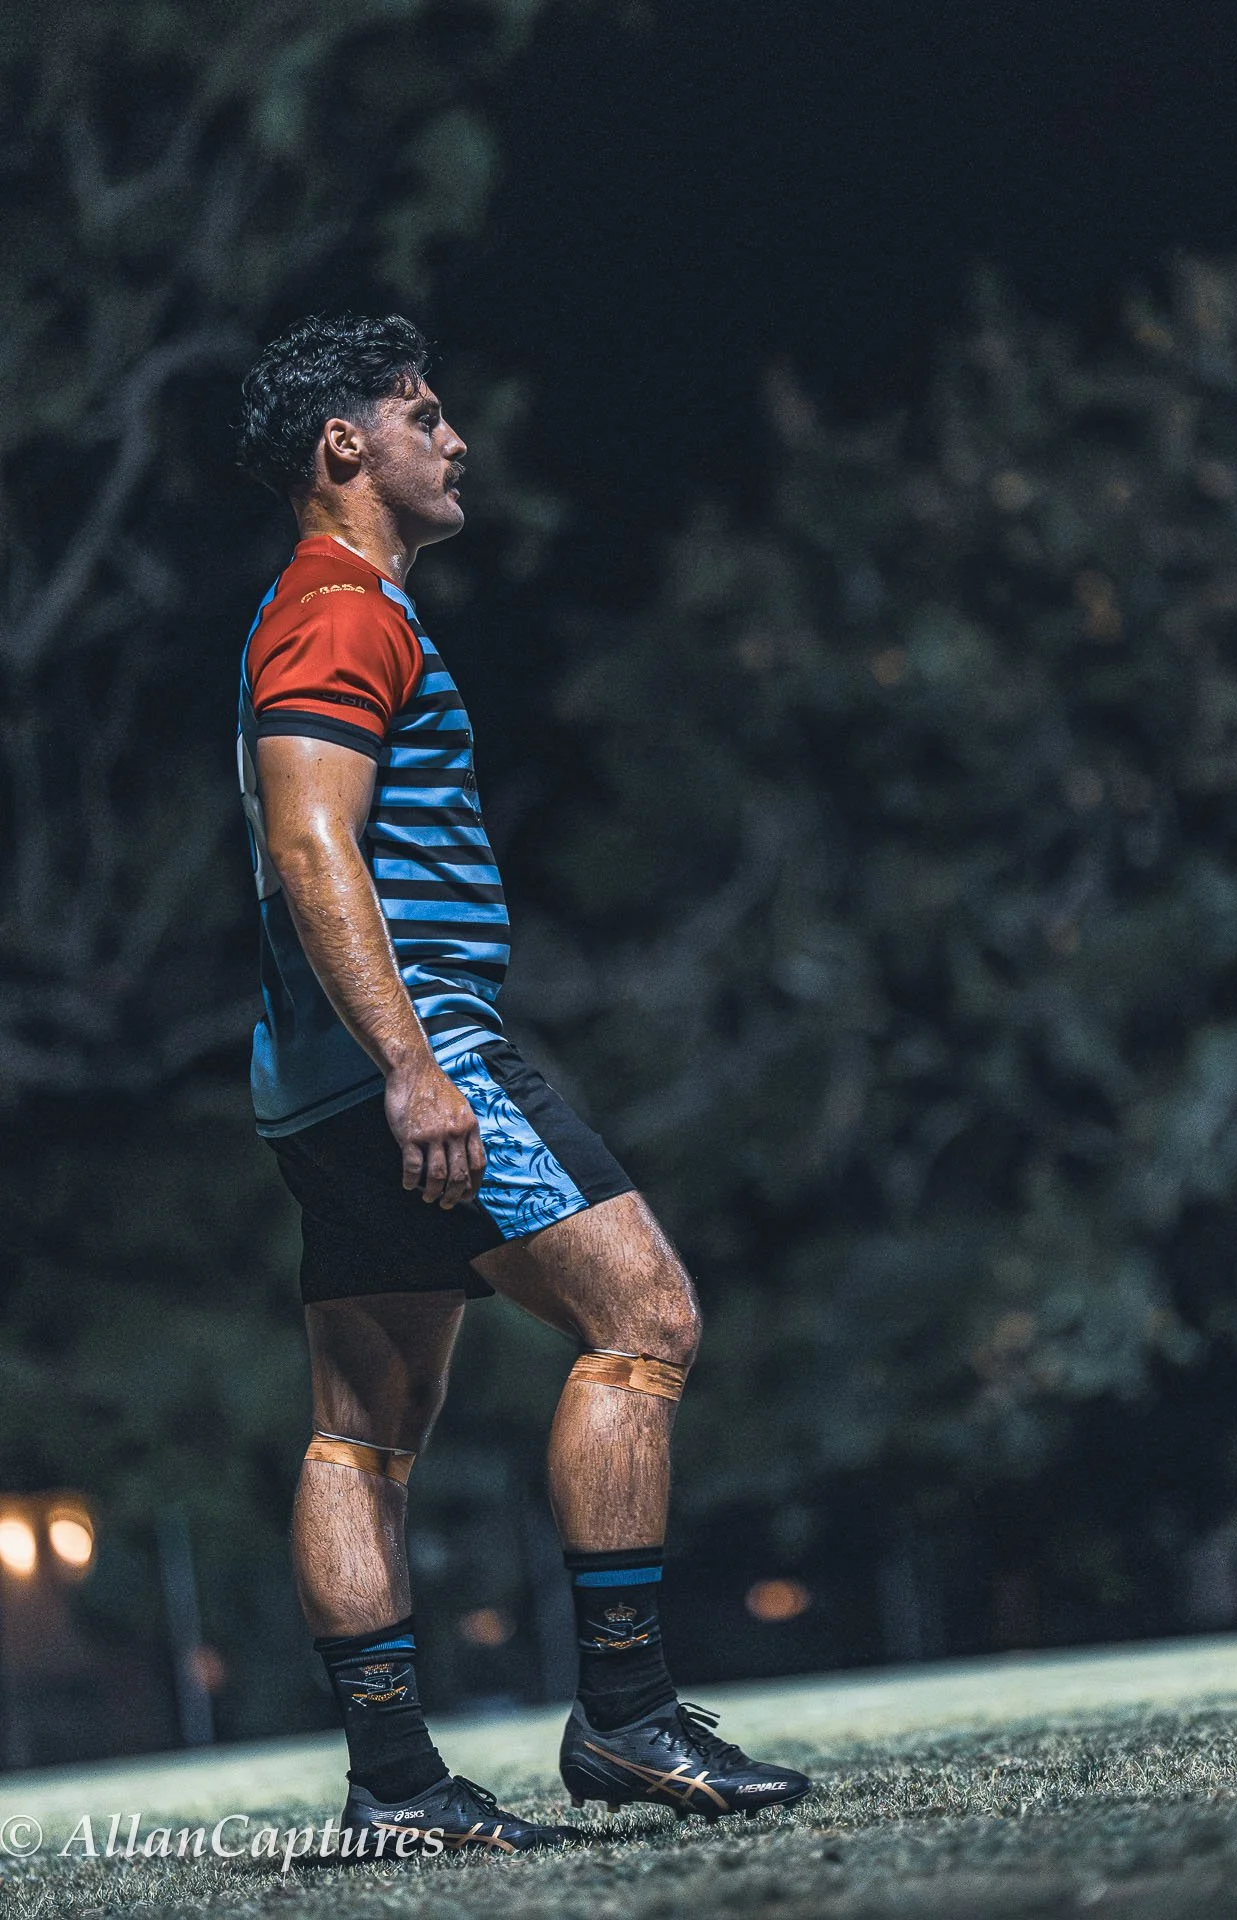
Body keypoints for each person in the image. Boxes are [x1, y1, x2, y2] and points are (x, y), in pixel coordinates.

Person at [233, 313, 810, 1856]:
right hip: (412, 1058)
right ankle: (625, 1719)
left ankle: (396, 1784)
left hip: (314, 1086)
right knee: (646, 1321)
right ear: (345, 449)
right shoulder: (340, 609)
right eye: (423, 413)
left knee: (364, 1431)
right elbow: (308, 848)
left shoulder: (329, 610)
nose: (455, 437)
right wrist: (417, 1067)